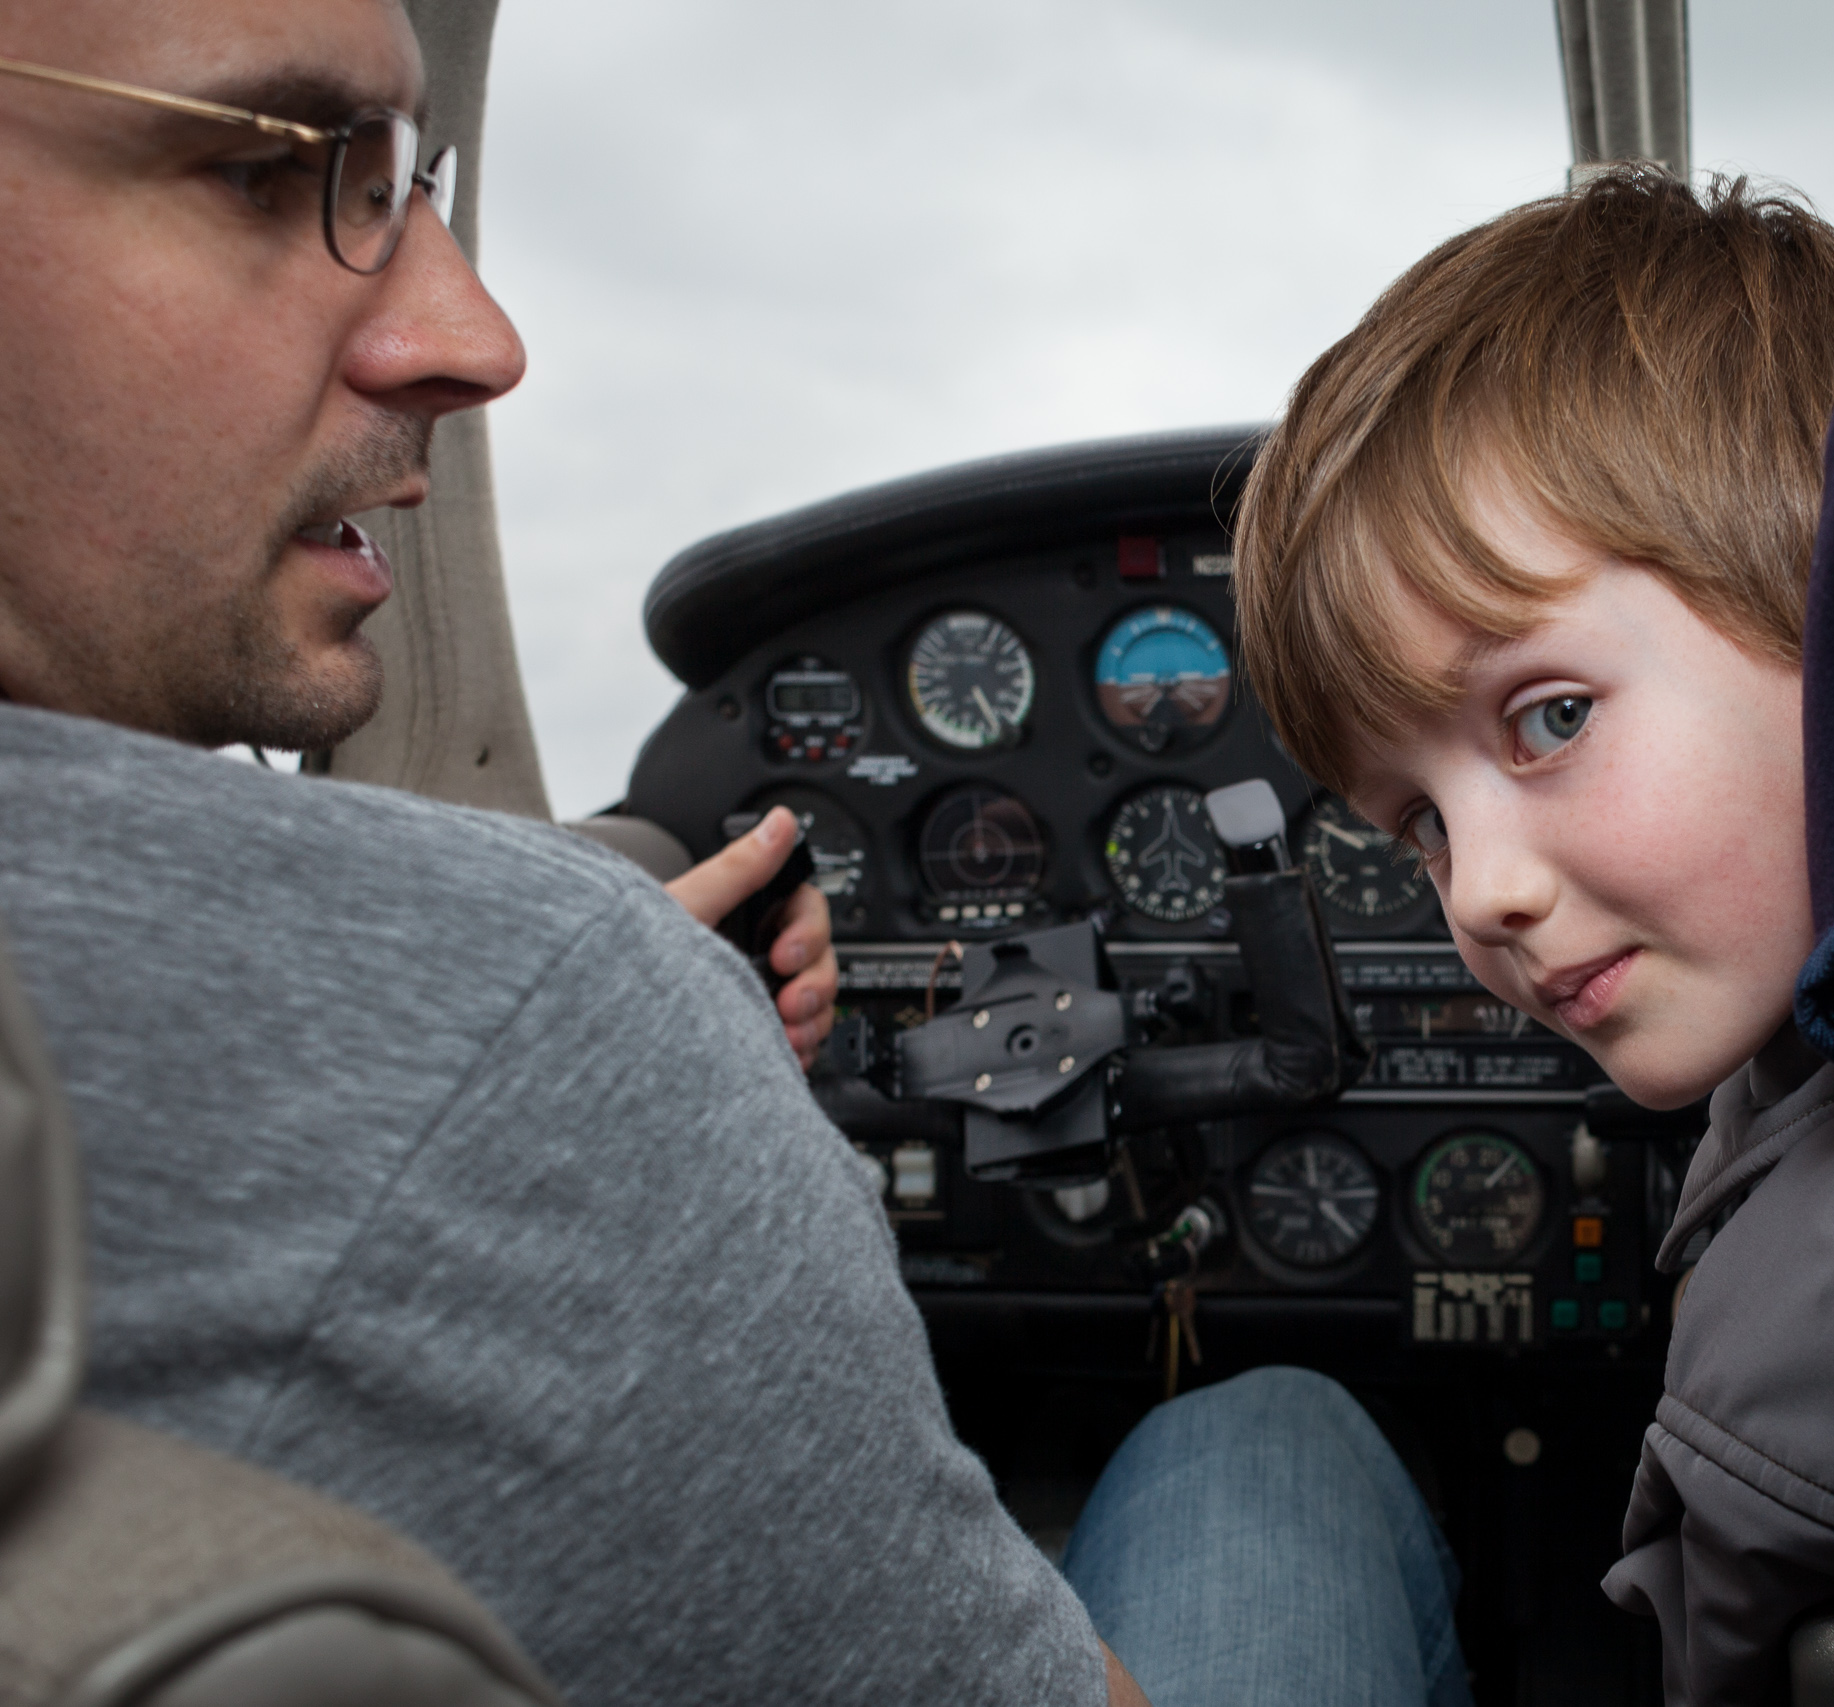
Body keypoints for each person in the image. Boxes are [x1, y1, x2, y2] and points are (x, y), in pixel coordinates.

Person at [0, 4, 1468, 1704]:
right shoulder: (532, 1025)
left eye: (418, 180)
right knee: (1269, 1430)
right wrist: (623, 1059)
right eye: (276, 169)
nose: (476, 336)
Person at [1232, 169, 1834, 1707]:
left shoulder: (1814, 1351)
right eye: (1419, 823)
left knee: (1247, 1431)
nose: (1475, 896)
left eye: (1550, 717)